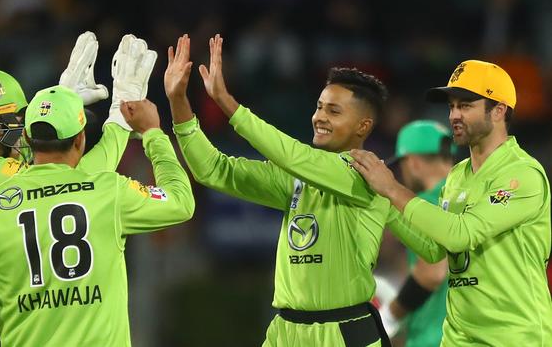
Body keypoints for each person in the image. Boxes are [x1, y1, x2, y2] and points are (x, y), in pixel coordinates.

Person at [0, 32, 156, 346]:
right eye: (16, 117)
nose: (21, 125)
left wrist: (63, 101)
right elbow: (77, 183)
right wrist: (118, 124)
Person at [165, 34, 392, 346]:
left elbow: (291, 154)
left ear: (363, 126)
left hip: (342, 331)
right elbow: (213, 170)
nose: (320, 117)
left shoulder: (366, 174)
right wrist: (179, 103)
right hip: (286, 331)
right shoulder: (299, 178)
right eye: (319, 107)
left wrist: (227, 104)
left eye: (334, 111)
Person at [0, 86, 194, 346]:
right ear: (80, 139)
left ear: (27, 139)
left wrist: (15, 313)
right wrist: (153, 133)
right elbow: (181, 202)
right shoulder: (109, 192)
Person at [351, 60, 552, 345]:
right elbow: (435, 250)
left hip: (514, 338)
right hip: (458, 338)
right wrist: (382, 199)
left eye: (466, 105)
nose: (454, 115)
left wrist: (393, 189)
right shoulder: (457, 175)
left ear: (498, 110)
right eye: (452, 106)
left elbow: (461, 235)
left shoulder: (522, 174)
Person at [377, 121, 455, 346]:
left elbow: (431, 273)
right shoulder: (471, 198)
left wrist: (389, 316)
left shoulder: (425, 204)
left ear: (411, 162)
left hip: (434, 338)